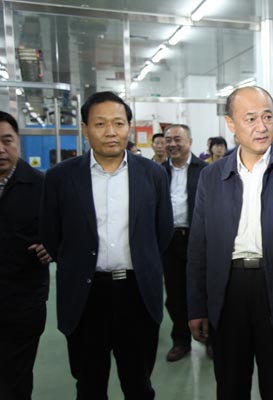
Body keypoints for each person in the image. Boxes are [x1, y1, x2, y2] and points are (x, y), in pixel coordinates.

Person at [40, 91, 173, 399]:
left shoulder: (153, 174)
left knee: (139, 384)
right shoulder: (60, 177)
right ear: (85, 129)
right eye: (100, 124)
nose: (111, 131)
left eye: (118, 123)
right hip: (85, 295)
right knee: (89, 385)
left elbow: (162, 231)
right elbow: (51, 235)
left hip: (137, 293)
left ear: (129, 127)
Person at [186, 86, 273, 400]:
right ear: (230, 124)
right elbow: (199, 246)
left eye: (267, 117)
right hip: (228, 288)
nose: (262, 126)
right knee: (231, 385)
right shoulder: (212, 176)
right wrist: (197, 306)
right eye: (251, 118)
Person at [0, 111, 51, 400]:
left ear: (18, 142)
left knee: (16, 375)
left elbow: (60, 231)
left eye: (7, 141)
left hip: (23, 300)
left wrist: (51, 246)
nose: (1, 149)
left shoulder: (40, 185)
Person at [162, 124, 208, 362]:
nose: (172, 144)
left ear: (189, 142)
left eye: (177, 139)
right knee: (175, 294)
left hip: (198, 239)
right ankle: (181, 340)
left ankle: (211, 338)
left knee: (205, 289)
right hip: (170, 241)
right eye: (168, 140)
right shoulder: (158, 172)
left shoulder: (205, 171)